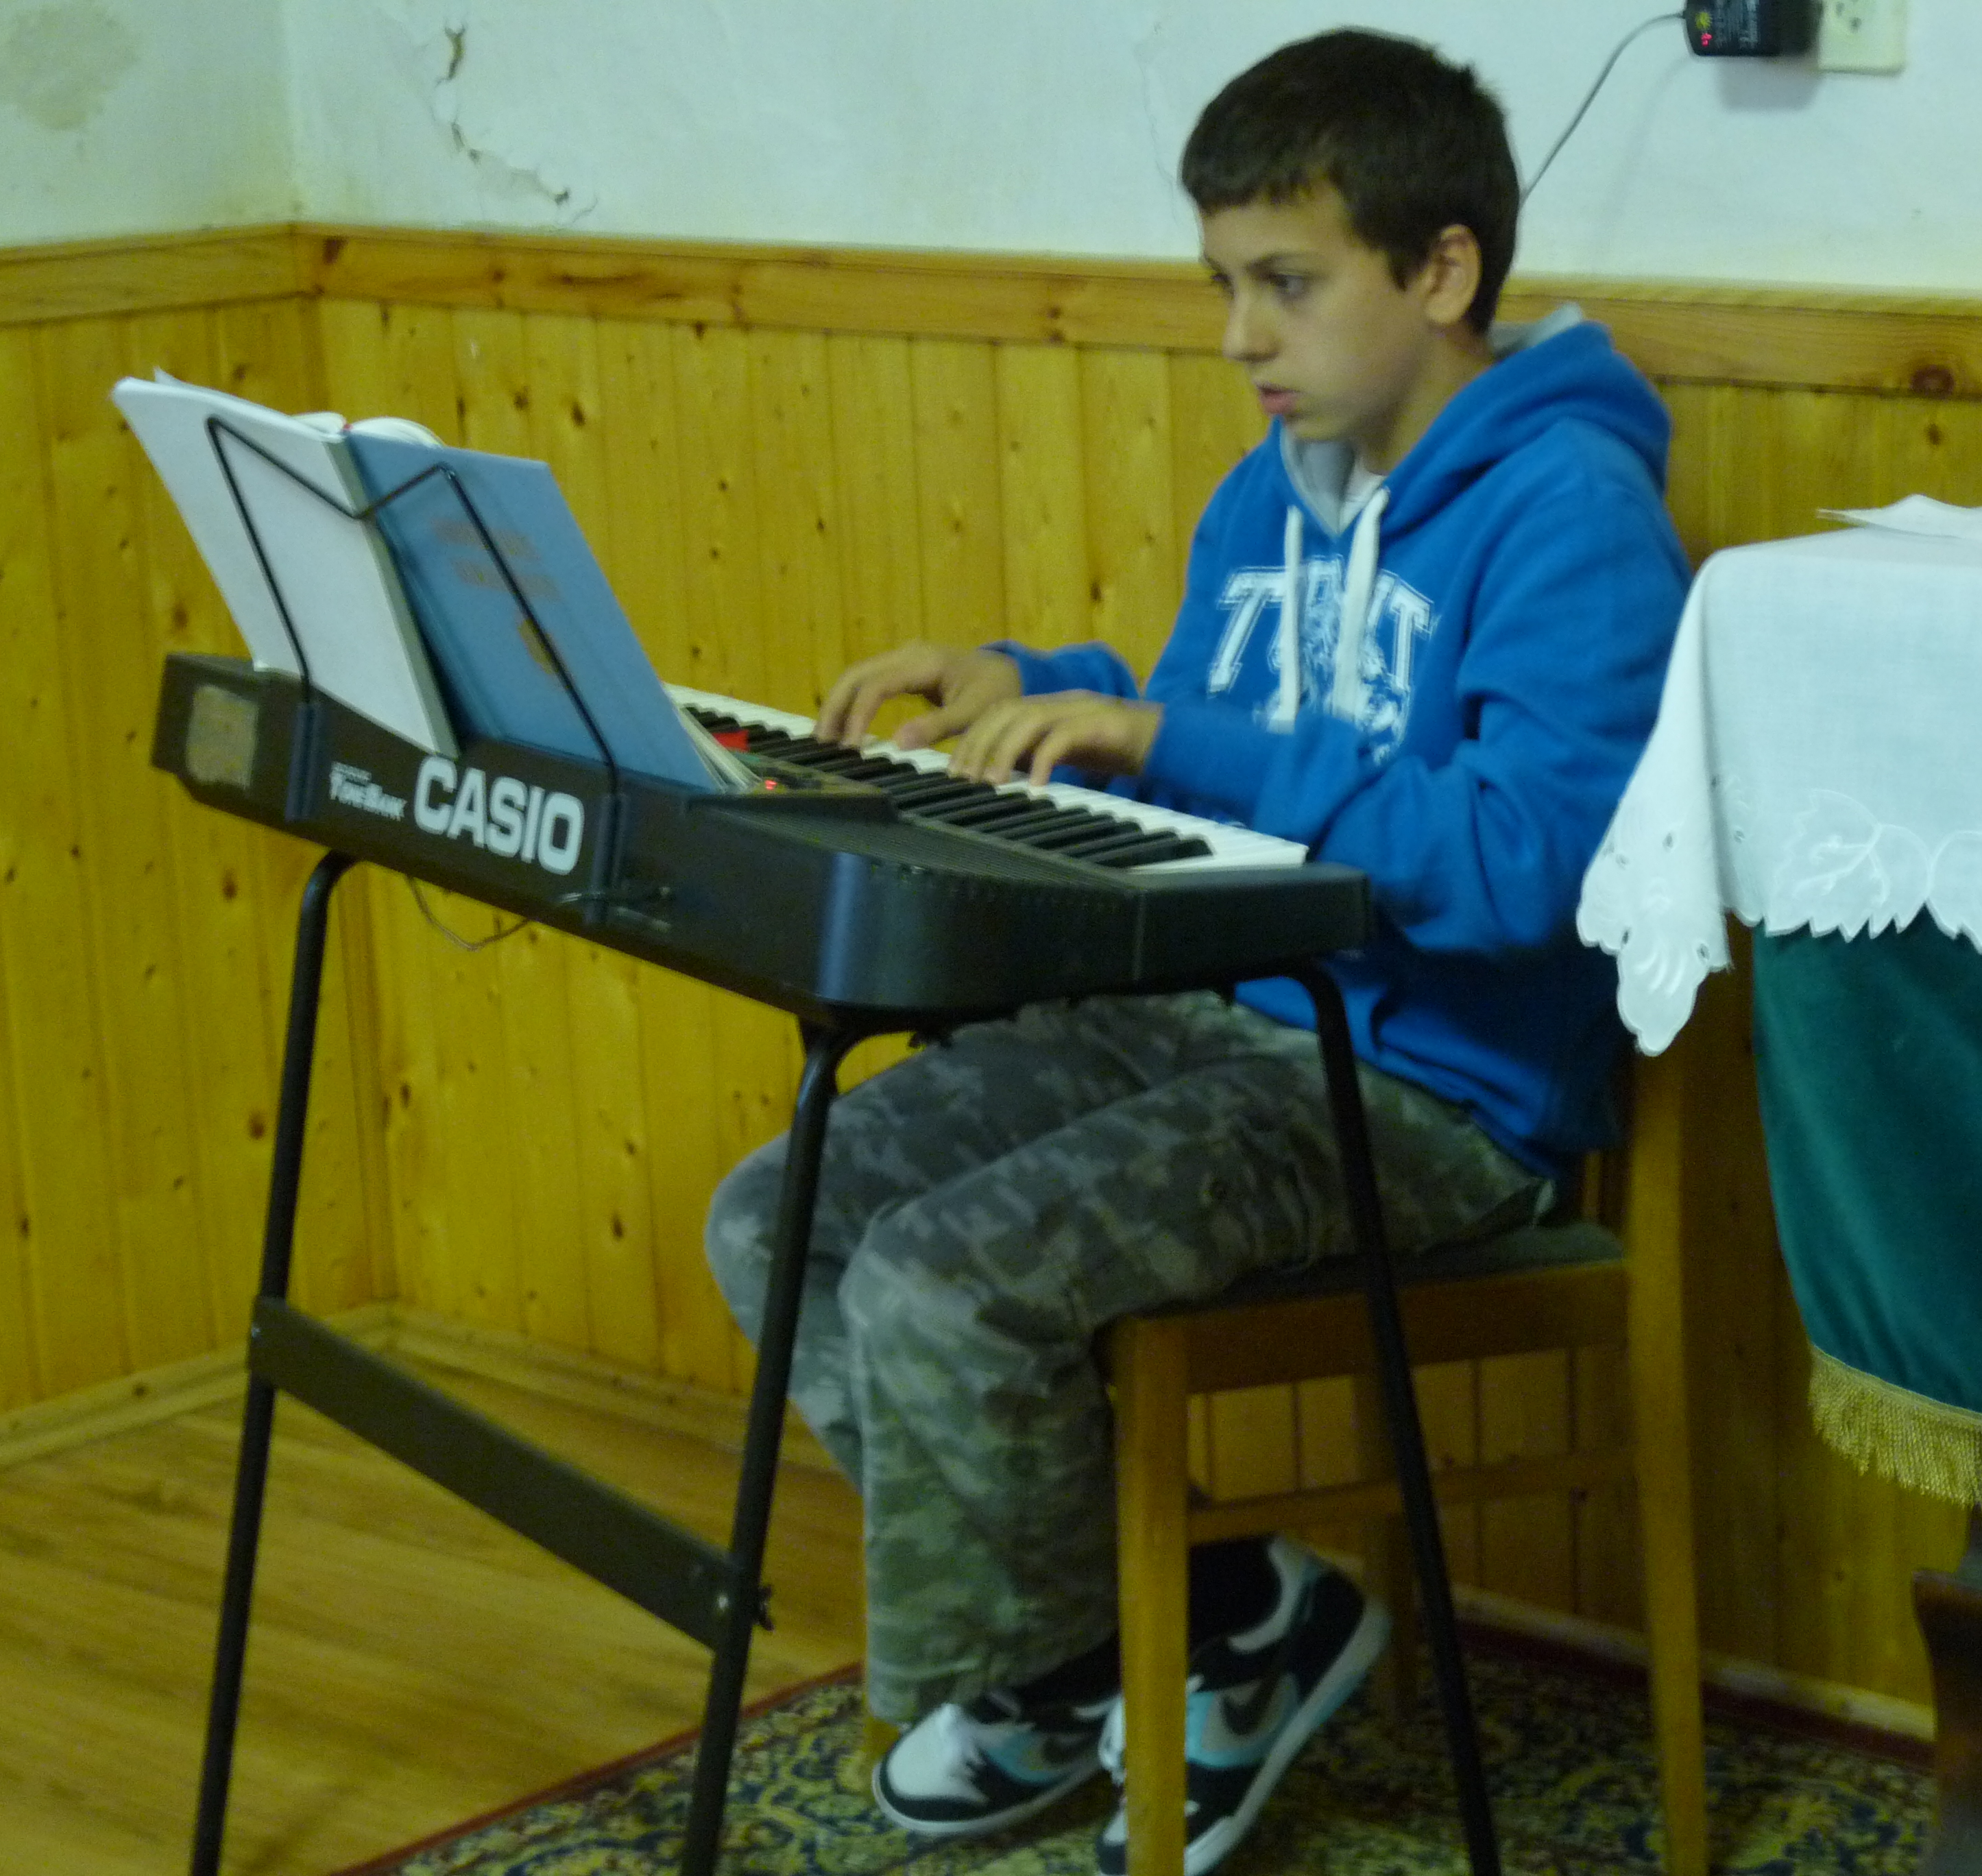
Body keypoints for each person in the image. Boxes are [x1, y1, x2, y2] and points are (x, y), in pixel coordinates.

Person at [705, 26, 1688, 1875]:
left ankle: (1113, 1653)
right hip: (1218, 1025)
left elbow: (1530, 868)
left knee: (949, 1280)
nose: (1241, 336)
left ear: (1443, 270)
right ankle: (1192, 1630)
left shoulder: (1573, 512)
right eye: (1224, 284)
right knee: (782, 1215)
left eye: (1286, 285)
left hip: (1436, 1096)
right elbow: (1203, 735)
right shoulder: (1271, 492)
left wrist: (1167, 738)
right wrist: (1036, 688)